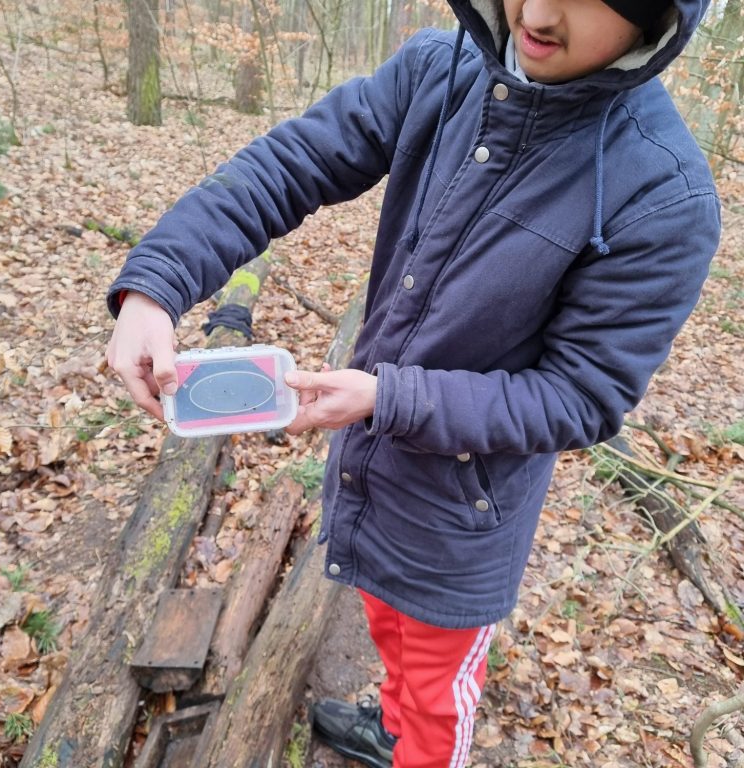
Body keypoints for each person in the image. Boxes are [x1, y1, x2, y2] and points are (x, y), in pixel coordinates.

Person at [106, 0, 720, 764]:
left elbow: (579, 397)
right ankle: (390, 727)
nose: (536, 12)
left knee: (437, 696)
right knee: (388, 631)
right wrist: (155, 285)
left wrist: (388, 398)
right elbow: (289, 165)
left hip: (461, 522)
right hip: (371, 469)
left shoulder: (665, 195)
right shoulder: (443, 68)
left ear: (655, 18)